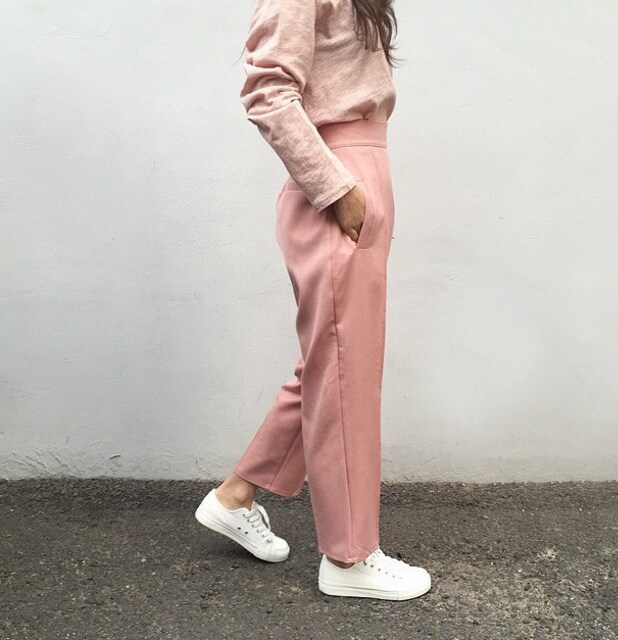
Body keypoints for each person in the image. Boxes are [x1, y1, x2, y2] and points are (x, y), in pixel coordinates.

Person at [195, 0, 431, 600]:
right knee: (345, 370)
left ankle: (235, 496)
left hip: (360, 170)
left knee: (332, 362)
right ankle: (349, 558)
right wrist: (337, 188)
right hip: (338, 180)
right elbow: (268, 90)